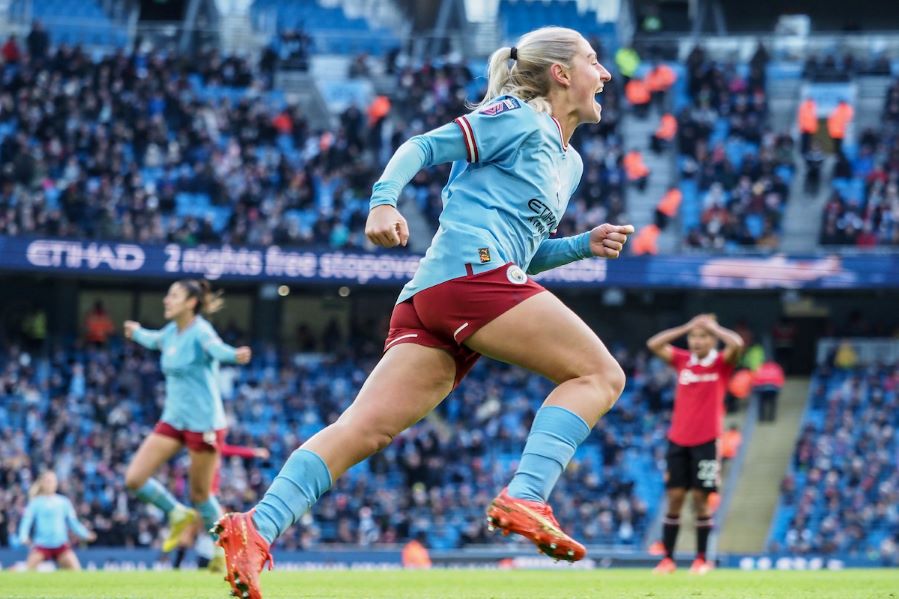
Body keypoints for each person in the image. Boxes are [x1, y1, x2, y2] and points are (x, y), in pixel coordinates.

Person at [215, 27, 633, 599]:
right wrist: (382, 201)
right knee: (600, 375)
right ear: (561, 73)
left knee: (363, 430)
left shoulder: (571, 162)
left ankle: (255, 528)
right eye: (592, 61)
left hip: (439, 296)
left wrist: (584, 244)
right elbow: (422, 146)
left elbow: (528, 255)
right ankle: (528, 495)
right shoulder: (518, 117)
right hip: (470, 279)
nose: (604, 72)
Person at [122, 279, 251, 572]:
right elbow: (153, 339)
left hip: (204, 424)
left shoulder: (201, 331)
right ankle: (176, 513)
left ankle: (226, 549)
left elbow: (217, 350)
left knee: (201, 495)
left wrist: (234, 355)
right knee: (134, 479)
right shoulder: (170, 333)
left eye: (174, 295)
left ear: (191, 303)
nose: (167, 300)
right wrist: (136, 332)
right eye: (168, 294)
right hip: (174, 419)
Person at [646, 314, 744, 575]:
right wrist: (687, 326)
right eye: (694, 337)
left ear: (713, 341)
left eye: (703, 337)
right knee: (675, 498)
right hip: (678, 440)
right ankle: (668, 559)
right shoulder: (683, 361)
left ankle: (702, 560)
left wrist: (716, 327)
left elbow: (737, 344)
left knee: (701, 500)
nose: (697, 341)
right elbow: (654, 344)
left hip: (707, 442)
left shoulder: (721, 364)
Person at [18, 471, 96, 571]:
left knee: (77, 572)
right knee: (27, 572)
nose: (49, 484)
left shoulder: (64, 502)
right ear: (42, 483)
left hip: (60, 544)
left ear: (56, 483)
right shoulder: (35, 503)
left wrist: (85, 534)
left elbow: (73, 523)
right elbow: (26, 521)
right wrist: (23, 537)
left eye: (52, 481)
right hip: (41, 545)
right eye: (47, 481)